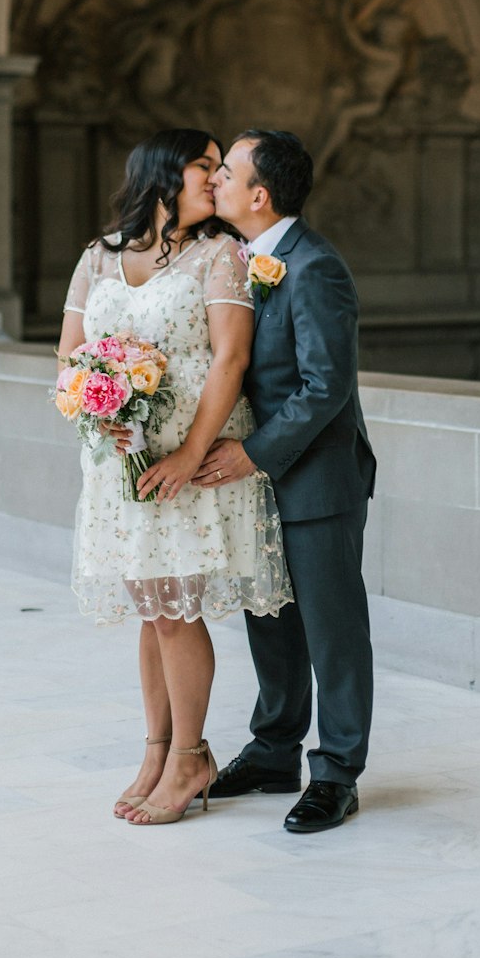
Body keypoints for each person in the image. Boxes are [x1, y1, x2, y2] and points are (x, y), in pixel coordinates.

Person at [58, 128, 293, 827]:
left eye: (223, 169)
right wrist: (99, 412)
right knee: (151, 606)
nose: (216, 179)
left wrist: (190, 454)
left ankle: (192, 755)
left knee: (177, 609)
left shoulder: (220, 255)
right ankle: (158, 750)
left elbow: (230, 361)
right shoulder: (97, 257)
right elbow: (71, 357)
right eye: (205, 166)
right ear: (163, 175)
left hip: (190, 464)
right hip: (120, 464)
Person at [193, 129, 376, 834]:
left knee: (332, 632)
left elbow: (325, 385)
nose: (215, 183)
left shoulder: (313, 266)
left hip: (315, 479)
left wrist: (254, 453)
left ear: (260, 195)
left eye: (227, 173)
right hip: (256, 484)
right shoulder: (237, 260)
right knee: (268, 621)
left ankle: (336, 774)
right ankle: (274, 751)